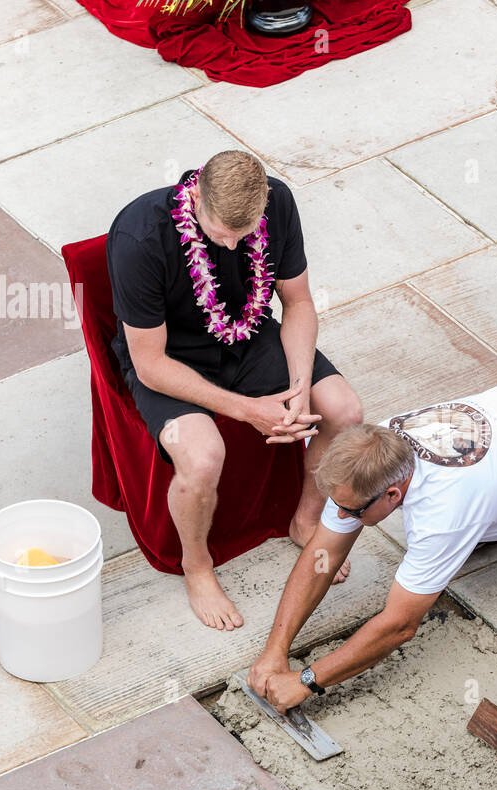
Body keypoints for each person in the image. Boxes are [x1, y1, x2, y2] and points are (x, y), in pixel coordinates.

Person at [246, 373, 497, 710]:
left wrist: (306, 681)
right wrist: (274, 651)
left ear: (393, 496)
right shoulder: (371, 453)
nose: (341, 517)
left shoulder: (445, 513)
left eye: (352, 512)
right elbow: (323, 552)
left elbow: (399, 625)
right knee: (469, 518)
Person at [107, 150, 362, 632]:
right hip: (171, 357)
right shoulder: (140, 235)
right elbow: (149, 363)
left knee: (344, 412)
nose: (228, 245)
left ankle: (305, 519)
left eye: (242, 236)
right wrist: (247, 410)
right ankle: (196, 566)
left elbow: (299, 302)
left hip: (247, 335)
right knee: (202, 457)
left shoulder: (279, 202)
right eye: (219, 232)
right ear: (196, 193)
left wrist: (300, 388)